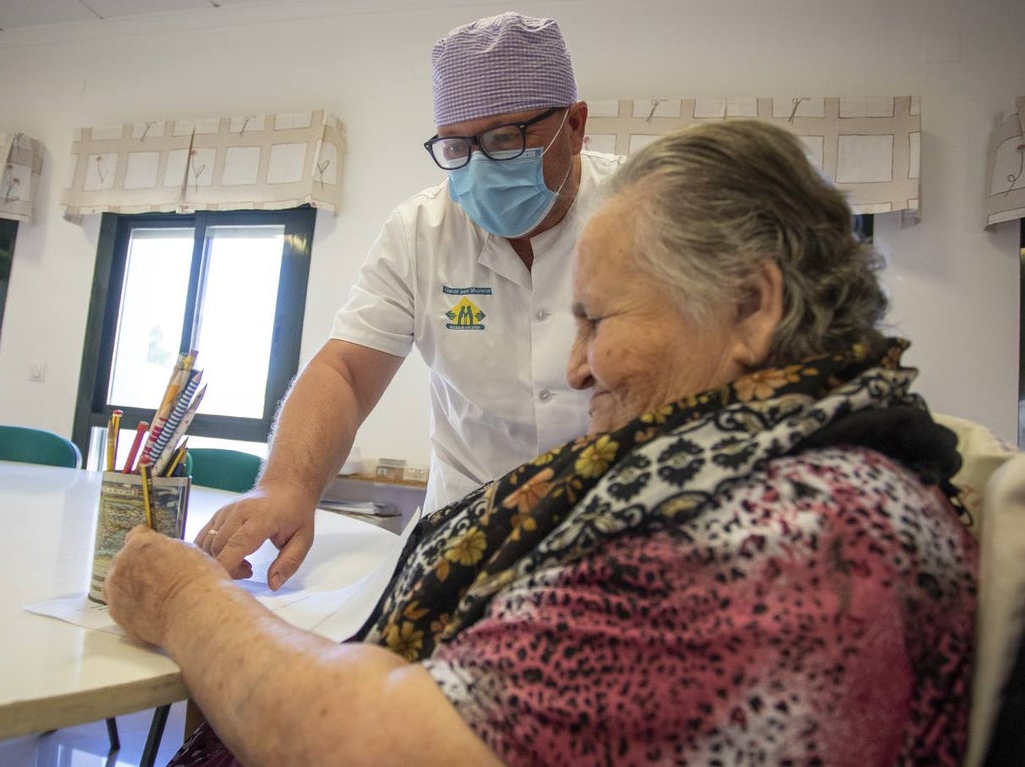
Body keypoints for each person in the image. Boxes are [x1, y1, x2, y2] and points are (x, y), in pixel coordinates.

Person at [105, 119, 977, 766]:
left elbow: (370, 744)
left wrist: (184, 598)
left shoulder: (791, 539)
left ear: (753, 306)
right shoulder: (782, 463)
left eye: (598, 320)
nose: (575, 368)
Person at [196, 12, 624, 588]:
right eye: (456, 146)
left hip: (623, 538)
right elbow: (345, 371)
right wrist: (286, 485)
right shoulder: (420, 231)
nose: (480, 166)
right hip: (467, 537)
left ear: (574, 126)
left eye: (505, 138)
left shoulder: (647, 211)